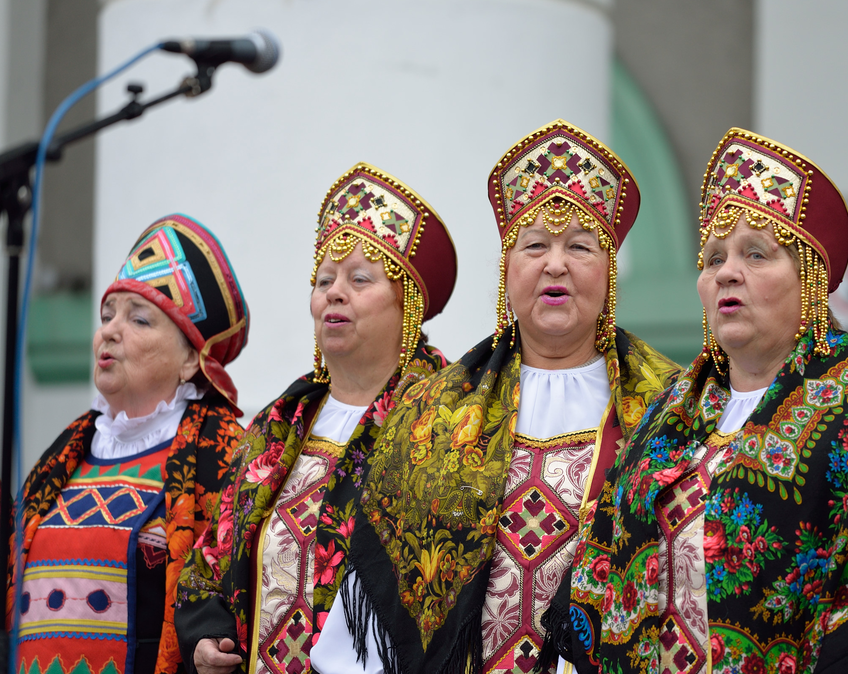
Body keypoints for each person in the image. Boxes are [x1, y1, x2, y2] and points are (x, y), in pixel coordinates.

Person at [547, 128, 848, 673]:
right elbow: (598, 582)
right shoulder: (666, 416)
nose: (727, 273)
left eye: (756, 254)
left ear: (809, 279)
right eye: (714, 258)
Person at [313, 120, 682, 674]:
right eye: (534, 245)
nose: (554, 263)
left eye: (579, 246)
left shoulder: (671, 405)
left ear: (609, 274)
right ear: (507, 270)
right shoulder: (431, 411)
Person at [175, 163, 457, 674]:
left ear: (407, 305)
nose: (334, 291)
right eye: (325, 279)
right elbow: (210, 561)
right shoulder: (279, 426)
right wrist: (207, 637)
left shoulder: (443, 424)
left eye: (360, 279)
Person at [7, 214, 250, 674]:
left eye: (139, 319)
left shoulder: (224, 455)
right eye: (106, 316)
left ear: (189, 361)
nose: (110, 331)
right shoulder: (61, 457)